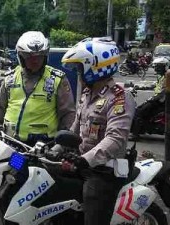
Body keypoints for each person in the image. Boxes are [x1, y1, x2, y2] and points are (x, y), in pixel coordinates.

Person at [60, 38, 136, 225]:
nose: (78, 74)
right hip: (83, 164)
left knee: (93, 198)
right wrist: (56, 147)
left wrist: (87, 159)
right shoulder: (87, 94)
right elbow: (75, 129)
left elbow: (116, 138)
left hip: (104, 171)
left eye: (80, 69)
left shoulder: (119, 97)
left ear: (94, 68)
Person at [0, 31, 76, 146]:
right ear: (21, 57)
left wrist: (61, 144)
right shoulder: (10, 78)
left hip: (41, 147)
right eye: (29, 57)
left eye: (39, 56)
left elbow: (68, 114)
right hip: (9, 142)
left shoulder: (57, 79)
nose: (35, 60)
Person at [130, 57, 170, 140]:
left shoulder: (167, 77)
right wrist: (139, 87)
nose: (156, 68)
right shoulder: (162, 76)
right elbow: (154, 85)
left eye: (158, 66)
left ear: (164, 66)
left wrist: (151, 99)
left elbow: (161, 92)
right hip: (158, 100)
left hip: (160, 101)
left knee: (139, 112)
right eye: (156, 66)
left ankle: (135, 135)